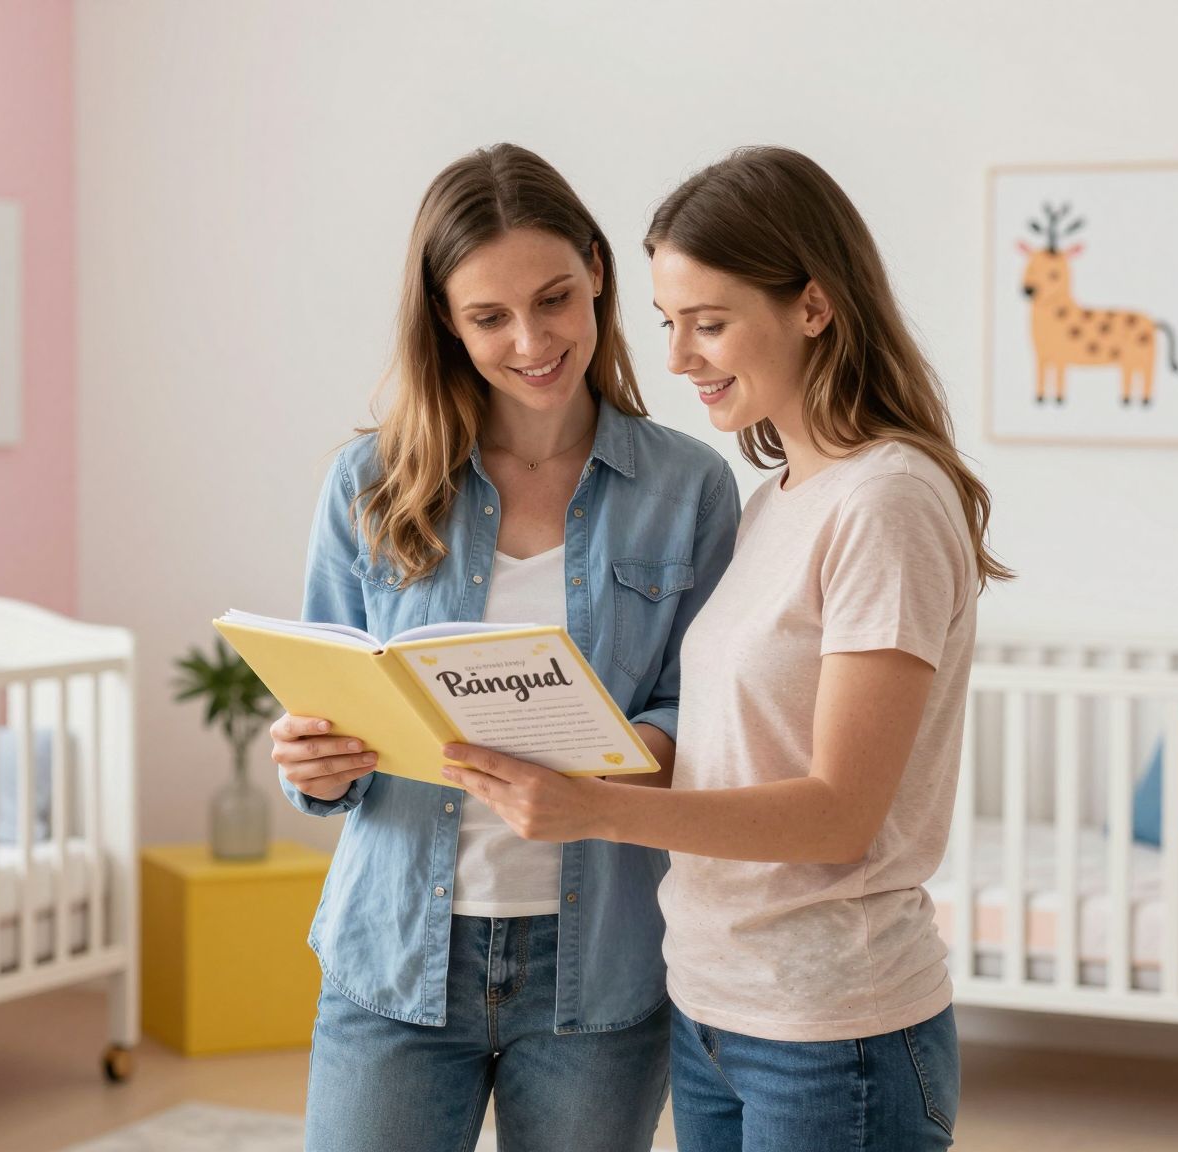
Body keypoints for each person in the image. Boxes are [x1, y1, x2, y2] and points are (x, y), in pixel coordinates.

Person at [443, 145, 1013, 1152]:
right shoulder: (776, 502)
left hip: (832, 1028)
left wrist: (589, 807)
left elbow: (840, 813)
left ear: (812, 305)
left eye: (709, 324)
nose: (677, 359)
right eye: (668, 323)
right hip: (715, 1009)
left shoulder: (886, 502)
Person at [274, 143, 739, 1152]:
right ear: (444, 319)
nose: (531, 340)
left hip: (601, 970)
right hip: (395, 956)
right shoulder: (368, 483)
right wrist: (312, 762)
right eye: (488, 316)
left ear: (597, 275)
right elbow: (329, 715)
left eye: (554, 298)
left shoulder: (688, 488)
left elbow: (701, 716)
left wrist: (614, 756)